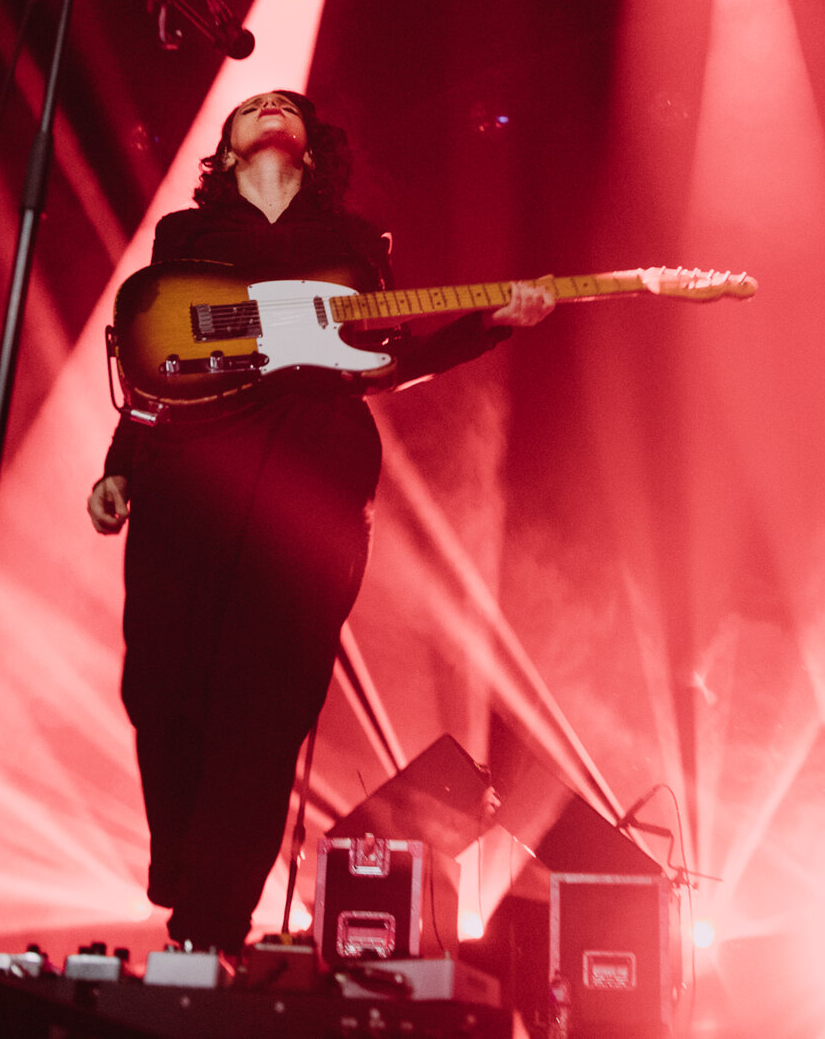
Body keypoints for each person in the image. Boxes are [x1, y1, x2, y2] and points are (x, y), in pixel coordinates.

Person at [87, 89, 554, 954]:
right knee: (159, 679)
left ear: (313, 146)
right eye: (255, 106)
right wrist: (120, 466)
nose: (273, 108)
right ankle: (185, 878)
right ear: (225, 150)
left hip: (312, 473)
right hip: (190, 468)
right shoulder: (183, 240)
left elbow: (385, 361)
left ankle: (212, 924)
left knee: (262, 702)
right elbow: (160, 362)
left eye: (288, 107)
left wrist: (489, 325)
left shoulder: (354, 243)